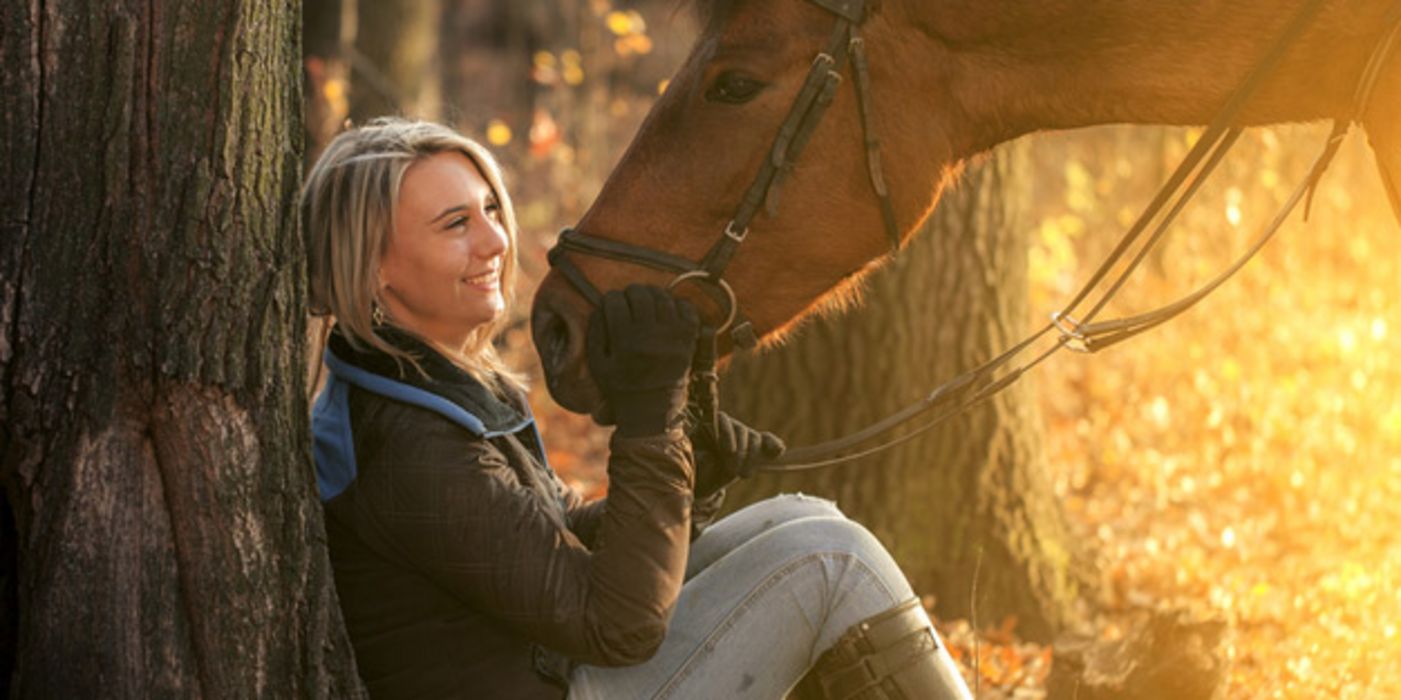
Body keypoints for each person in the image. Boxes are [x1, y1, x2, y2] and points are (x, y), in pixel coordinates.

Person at [303, 117, 973, 700]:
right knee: (832, 560)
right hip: (563, 680)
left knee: (803, 519)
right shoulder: (407, 441)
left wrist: (689, 470)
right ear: (373, 266)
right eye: (455, 224)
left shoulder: (423, 385)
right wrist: (651, 420)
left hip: (557, 671)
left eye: (489, 209)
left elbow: (555, 539)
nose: (495, 242)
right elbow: (614, 622)